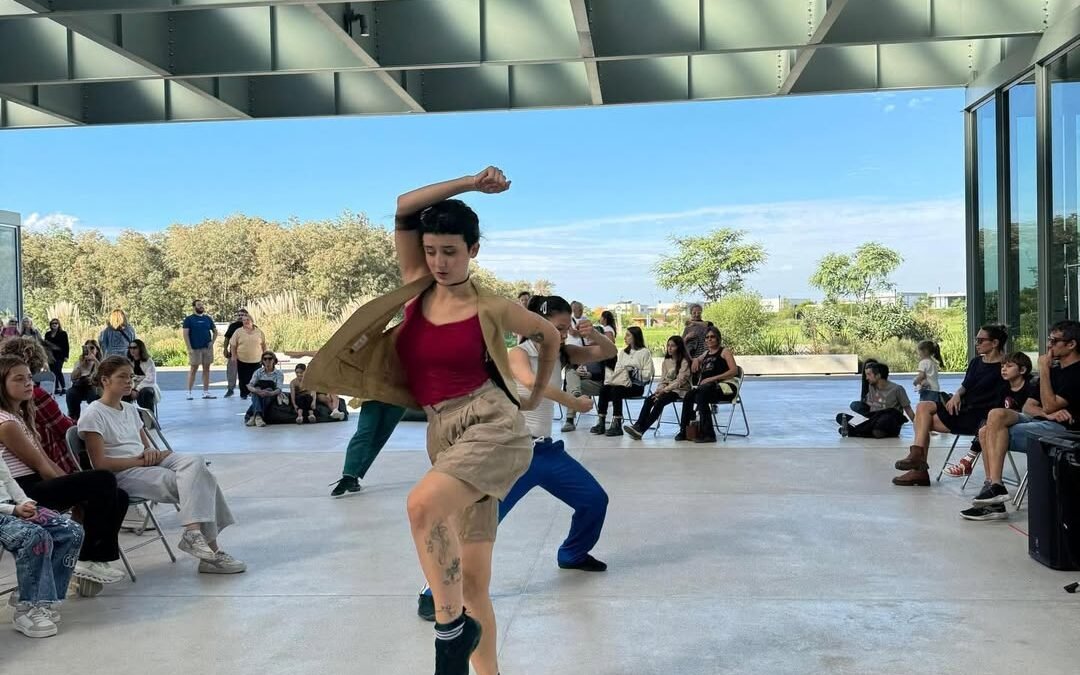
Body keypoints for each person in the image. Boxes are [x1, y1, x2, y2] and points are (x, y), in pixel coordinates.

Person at [304, 166, 560, 675]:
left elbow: (549, 337)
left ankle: (450, 629)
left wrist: (530, 400)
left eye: (452, 251)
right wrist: (469, 182)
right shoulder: (416, 292)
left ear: (473, 251)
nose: (440, 261)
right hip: (443, 431)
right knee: (472, 582)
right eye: (432, 250)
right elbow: (404, 204)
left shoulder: (491, 307)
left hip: (491, 424)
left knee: (421, 504)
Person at [417, 294, 617, 621]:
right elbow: (529, 382)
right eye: (558, 326)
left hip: (547, 452)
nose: (563, 334)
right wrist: (574, 402)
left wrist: (593, 335)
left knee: (594, 500)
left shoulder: (562, 353)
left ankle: (572, 553)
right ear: (537, 323)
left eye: (567, 328)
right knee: (477, 526)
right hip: (511, 453)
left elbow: (607, 354)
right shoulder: (517, 353)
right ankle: (433, 591)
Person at [78, 355, 244, 573]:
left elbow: (145, 444)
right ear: (105, 380)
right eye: (122, 377)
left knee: (195, 461)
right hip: (124, 472)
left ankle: (193, 534)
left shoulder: (129, 409)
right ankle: (211, 553)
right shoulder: (93, 414)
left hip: (145, 461)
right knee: (203, 480)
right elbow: (99, 464)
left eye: (131, 377)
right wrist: (140, 459)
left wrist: (151, 453)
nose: (129, 381)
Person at [0, 354, 127, 588]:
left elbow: (46, 460)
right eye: (19, 379)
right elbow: (40, 465)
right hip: (21, 492)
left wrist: (72, 484)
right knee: (103, 479)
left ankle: (92, 557)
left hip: (36, 482)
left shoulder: (19, 416)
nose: (29, 383)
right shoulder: (5, 423)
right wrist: (74, 490)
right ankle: (87, 557)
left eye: (30, 378)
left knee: (120, 495)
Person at [961, 321, 1080, 520]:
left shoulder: (1075, 373)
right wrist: (1048, 412)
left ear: (1071, 344)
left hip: (1064, 432)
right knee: (995, 415)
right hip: (1045, 421)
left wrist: (1043, 369)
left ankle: (994, 495)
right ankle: (995, 487)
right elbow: (1029, 407)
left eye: (1054, 340)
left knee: (985, 432)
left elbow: (1049, 404)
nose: (1049, 345)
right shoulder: (1056, 370)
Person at [892, 324, 1008, 487]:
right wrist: (957, 395)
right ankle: (917, 457)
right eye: (976, 340)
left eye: (981, 340)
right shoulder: (976, 362)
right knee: (923, 407)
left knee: (922, 422)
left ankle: (919, 470)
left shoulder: (1005, 366)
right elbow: (966, 385)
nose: (977, 343)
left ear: (995, 343)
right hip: (962, 408)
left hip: (980, 417)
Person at [0, 455, 83, 638]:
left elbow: (7, 478)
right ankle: (27, 608)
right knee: (35, 536)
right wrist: (13, 510)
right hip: (4, 512)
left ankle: (44, 599)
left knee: (71, 531)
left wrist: (23, 501)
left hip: (11, 506)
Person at [943, 351, 1033, 478]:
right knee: (985, 426)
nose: (1004, 370)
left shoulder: (1031, 386)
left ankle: (969, 461)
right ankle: (989, 480)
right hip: (1003, 425)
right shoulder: (1003, 388)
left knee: (989, 423)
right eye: (1002, 367)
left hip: (1024, 422)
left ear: (1022, 370)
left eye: (1009, 366)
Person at [677, 325, 739, 443]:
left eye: (712, 337)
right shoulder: (706, 353)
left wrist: (712, 379)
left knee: (701, 394)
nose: (709, 339)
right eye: (707, 337)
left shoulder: (724, 352)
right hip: (707, 388)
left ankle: (709, 434)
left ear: (718, 339)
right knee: (689, 395)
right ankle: (684, 430)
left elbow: (734, 371)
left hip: (725, 387)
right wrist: (696, 360)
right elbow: (696, 359)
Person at [590, 326, 654, 437]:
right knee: (604, 389)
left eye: (628, 335)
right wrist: (621, 372)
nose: (625, 337)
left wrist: (633, 372)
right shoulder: (623, 352)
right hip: (622, 382)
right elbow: (618, 369)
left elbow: (648, 374)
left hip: (636, 386)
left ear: (635, 337)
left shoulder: (645, 352)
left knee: (616, 390)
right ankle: (601, 422)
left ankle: (617, 423)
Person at [624, 335, 692, 439]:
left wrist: (664, 390)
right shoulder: (666, 362)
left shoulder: (684, 361)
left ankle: (642, 430)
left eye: (673, 346)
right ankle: (638, 425)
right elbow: (663, 379)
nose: (669, 348)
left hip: (680, 390)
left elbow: (680, 381)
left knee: (660, 402)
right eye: (668, 345)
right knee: (649, 400)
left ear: (679, 347)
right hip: (666, 389)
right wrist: (659, 389)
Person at [837, 362, 916, 439]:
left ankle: (854, 430)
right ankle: (858, 429)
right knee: (840, 417)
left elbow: (908, 409)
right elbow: (869, 405)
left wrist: (919, 427)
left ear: (878, 375)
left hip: (888, 421)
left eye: (869, 375)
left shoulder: (897, 389)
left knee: (882, 424)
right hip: (873, 418)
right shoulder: (871, 387)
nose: (866, 378)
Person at [182, 299, 218, 400]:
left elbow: (215, 332)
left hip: (207, 348)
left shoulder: (208, 318)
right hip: (195, 348)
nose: (201, 306)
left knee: (207, 369)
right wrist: (189, 348)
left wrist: (212, 342)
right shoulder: (189, 319)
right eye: (199, 305)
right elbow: (185, 334)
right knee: (194, 369)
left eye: (202, 305)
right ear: (194, 307)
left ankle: (206, 392)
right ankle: (188, 392)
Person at [229, 313, 267, 400]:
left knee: (255, 377)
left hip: (257, 359)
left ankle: (253, 392)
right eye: (244, 320)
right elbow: (233, 345)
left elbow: (263, 344)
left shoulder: (259, 331)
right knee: (243, 378)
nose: (246, 322)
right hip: (242, 359)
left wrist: (265, 355)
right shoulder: (238, 331)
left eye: (247, 320)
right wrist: (233, 356)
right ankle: (244, 393)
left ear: (252, 321)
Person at [244, 351, 284, 428]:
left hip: (271, 395)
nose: (267, 361)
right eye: (265, 359)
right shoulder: (258, 372)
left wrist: (269, 393)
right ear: (262, 361)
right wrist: (257, 391)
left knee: (268, 390)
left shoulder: (279, 374)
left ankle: (254, 416)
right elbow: (250, 385)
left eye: (270, 359)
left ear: (274, 360)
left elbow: (279, 389)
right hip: (258, 393)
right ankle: (258, 416)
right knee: (256, 392)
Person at [66, 340, 101, 420]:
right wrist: (81, 366)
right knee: (70, 393)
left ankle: (95, 418)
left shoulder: (98, 362)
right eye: (87, 348)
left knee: (95, 396)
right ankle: (74, 418)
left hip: (93, 387)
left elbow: (103, 373)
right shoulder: (80, 362)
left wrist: (95, 360)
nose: (89, 350)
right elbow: (73, 377)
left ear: (97, 350)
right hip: (79, 386)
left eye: (92, 348)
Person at [124, 339, 160, 411]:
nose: (132, 350)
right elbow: (127, 376)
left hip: (146, 386)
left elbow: (150, 379)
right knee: (122, 392)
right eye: (130, 348)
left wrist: (137, 389)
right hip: (132, 385)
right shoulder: (128, 361)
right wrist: (140, 378)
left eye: (135, 348)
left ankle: (148, 419)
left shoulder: (148, 361)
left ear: (140, 348)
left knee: (145, 393)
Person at [222, 309, 247, 398]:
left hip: (247, 354)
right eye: (239, 315)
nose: (240, 316)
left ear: (247, 315)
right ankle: (230, 389)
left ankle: (245, 391)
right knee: (231, 372)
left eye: (243, 315)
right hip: (234, 353)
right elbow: (227, 338)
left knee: (245, 373)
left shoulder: (251, 326)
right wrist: (225, 349)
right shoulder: (233, 326)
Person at [42, 319, 69, 396]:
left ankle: (64, 388)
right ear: (50, 325)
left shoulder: (63, 333)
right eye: (52, 323)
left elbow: (66, 345)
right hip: (50, 355)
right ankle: (56, 388)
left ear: (58, 324)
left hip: (60, 355)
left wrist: (66, 356)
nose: (54, 324)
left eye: (56, 323)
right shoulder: (47, 334)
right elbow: (45, 345)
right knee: (53, 371)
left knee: (58, 370)